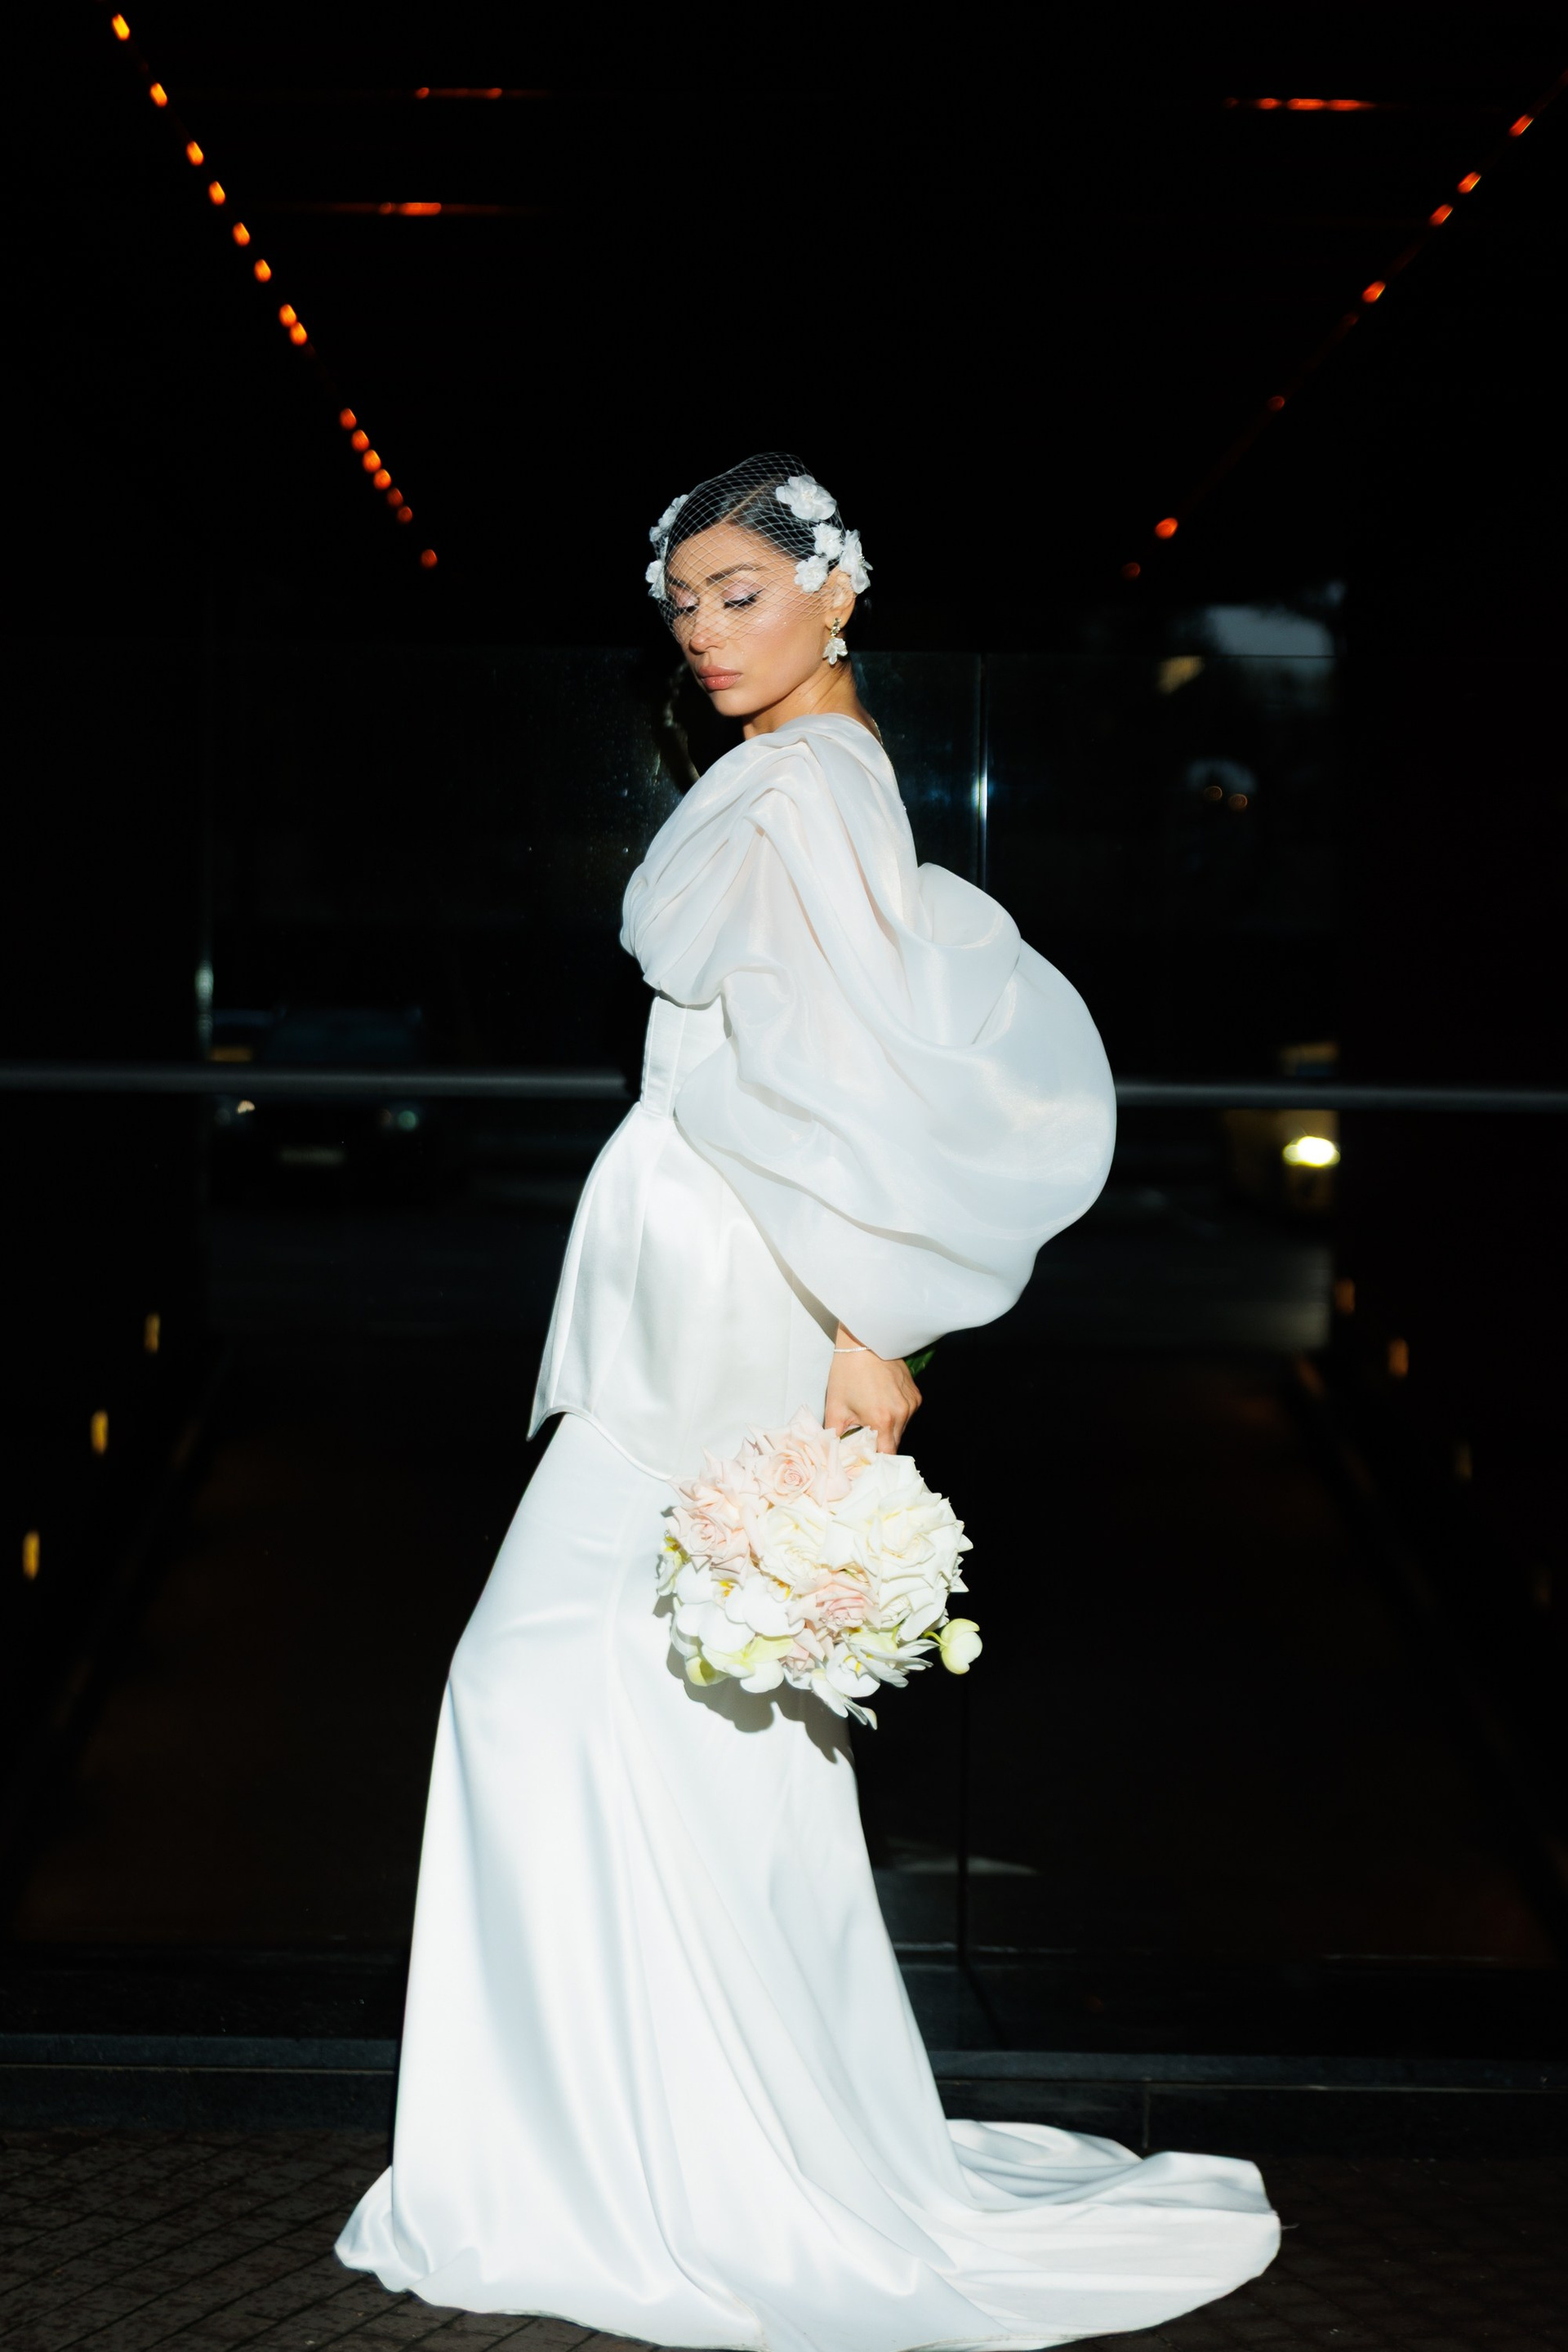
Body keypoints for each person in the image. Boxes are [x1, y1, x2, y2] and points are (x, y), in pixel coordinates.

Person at [336, 453, 1280, 2347]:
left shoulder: (810, 785)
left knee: (540, 1694)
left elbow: (861, 1072)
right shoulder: (797, 774)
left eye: (744, 591)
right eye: (684, 602)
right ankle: (651, 2154)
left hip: (738, 1286)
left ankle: (639, 2164)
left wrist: (869, 1323)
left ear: (839, 594)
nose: (706, 630)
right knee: (688, 1730)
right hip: (702, 1270)